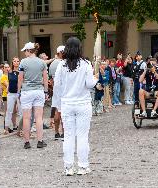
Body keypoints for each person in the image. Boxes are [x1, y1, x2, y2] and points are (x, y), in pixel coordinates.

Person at [53, 37, 98, 176]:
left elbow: (57, 85)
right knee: (83, 136)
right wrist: (96, 78)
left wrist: (59, 104)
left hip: (67, 104)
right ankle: (83, 166)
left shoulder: (61, 65)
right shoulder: (85, 64)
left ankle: (68, 167)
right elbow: (90, 84)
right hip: (83, 103)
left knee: (69, 136)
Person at [18, 42, 49, 149]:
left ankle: (27, 142)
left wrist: (18, 91)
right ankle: (40, 141)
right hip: (39, 91)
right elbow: (45, 78)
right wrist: (46, 91)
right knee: (38, 117)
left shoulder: (23, 62)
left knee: (26, 118)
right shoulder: (42, 62)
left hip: (27, 91)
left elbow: (20, 78)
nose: (24, 53)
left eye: (25, 51)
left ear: (28, 51)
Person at [49, 45, 65, 140]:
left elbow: (51, 79)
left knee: (57, 111)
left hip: (56, 88)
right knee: (63, 111)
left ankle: (56, 132)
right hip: (63, 89)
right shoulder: (65, 63)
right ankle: (63, 132)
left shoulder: (52, 64)